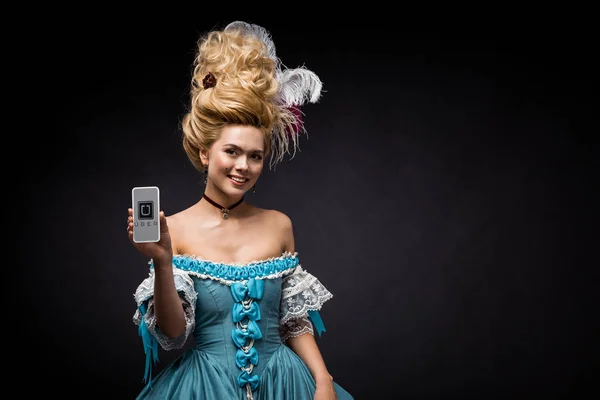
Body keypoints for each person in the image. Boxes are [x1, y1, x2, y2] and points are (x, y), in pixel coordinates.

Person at [126, 21, 354, 400]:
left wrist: (323, 380)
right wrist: (163, 262)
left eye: (255, 156)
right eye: (231, 151)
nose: (242, 166)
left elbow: (292, 321)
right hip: (204, 386)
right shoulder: (175, 229)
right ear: (205, 153)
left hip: (285, 383)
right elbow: (172, 334)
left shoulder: (279, 225)